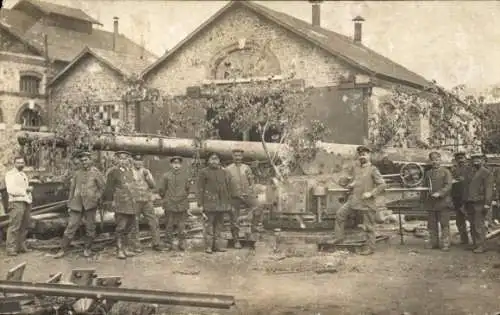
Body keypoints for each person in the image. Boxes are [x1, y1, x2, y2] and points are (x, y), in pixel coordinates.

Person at [331, 146, 386, 255]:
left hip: (367, 203)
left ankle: (370, 248)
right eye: (360, 155)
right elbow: (353, 181)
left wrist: (371, 193)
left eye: (364, 154)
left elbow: (382, 185)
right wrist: (350, 184)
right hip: (354, 200)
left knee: (369, 226)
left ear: (369, 156)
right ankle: (339, 239)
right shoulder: (356, 169)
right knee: (339, 215)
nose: (362, 156)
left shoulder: (373, 170)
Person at [54, 151, 105, 258]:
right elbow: (72, 189)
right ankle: (63, 249)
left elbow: (102, 188)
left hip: (90, 204)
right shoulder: (77, 173)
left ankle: (87, 249)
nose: (84, 162)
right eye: (82, 160)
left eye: (86, 160)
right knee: (71, 226)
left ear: (91, 160)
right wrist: (70, 203)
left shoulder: (96, 173)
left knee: (90, 227)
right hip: (76, 204)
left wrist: (96, 198)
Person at [102, 151, 137, 259]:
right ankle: (119, 249)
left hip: (131, 204)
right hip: (120, 204)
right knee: (120, 227)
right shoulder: (113, 172)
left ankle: (126, 248)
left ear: (128, 160)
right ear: (117, 160)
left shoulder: (130, 171)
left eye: (125, 158)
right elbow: (109, 188)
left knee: (129, 226)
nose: (123, 161)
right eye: (120, 158)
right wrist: (109, 202)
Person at [197, 152, 234, 254]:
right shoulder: (203, 172)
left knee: (219, 226)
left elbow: (228, 188)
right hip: (209, 204)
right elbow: (200, 189)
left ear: (219, 161)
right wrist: (200, 204)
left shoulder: (224, 172)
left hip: (221, 204)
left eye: (216, 159)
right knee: (209, 226)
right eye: (212, 159)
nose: (214, 161)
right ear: (208, 161)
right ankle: (208, 247)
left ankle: (217, 246)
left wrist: (228, 203)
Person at [225, 148, 260, 249]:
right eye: (236, 156)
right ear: (232, 157)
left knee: (258, 208)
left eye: (239, 156)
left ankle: (253, 235)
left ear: (242, 157)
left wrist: (253, 193)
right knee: (233, 217)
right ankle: (236, 240)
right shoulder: (228, 169)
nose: (238, 158)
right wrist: (228, 197)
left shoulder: (246, 168)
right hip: (234, 196)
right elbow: (226, 184)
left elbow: (251, 182)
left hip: (247, 195)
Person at [129, 154, 164, 252]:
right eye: (136, 161)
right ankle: (136, 246)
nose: (138, 163)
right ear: (133, 161)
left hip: (147, 200)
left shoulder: (146, 171)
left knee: (153, 222)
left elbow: (153, 186)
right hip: (135, 201)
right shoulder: (129, 171)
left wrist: (147, 177)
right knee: (134, 224)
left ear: (142, 162)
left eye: (140, 161)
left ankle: (156, 243)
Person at [157, 156, 192, 251]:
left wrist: (182, 196)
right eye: (174, 163)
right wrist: (167, 198)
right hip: (170, 203)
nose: (176, 165)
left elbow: (188, 189)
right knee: (169, 225)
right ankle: (168, 244)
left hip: (182, 203)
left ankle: (182, 243)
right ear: (171, 164)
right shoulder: (166, 176)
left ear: (180, 165)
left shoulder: (185, 175)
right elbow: (161, 190)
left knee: (182, 225)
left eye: (178, 163)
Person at [423, 151, 453, 251]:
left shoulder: (446, 172)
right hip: (431, 203)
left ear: (440, 160)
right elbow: (424, 187)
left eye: (437, 159)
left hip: (443, 203)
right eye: (432, 160)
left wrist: (440, 193)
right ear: (430, 161)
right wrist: (422, 200)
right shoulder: (427, 173)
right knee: (432, 224)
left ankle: (445, 244)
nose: (435, 162)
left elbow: (448, 185)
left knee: (444, 224)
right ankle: (433, 243)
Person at [464, 152, 493, 253]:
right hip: (470, 202)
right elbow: (466, 188)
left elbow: (489, 189)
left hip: (480, 202)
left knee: (478, 225)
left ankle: (481, 246)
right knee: (472, 224)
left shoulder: (486, 173)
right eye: (474, 159)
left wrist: (487, 203)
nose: (476, 161)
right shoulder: (470, 172)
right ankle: (475, 244)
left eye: (478, 159)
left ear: (482, 160)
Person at [4, 156, 33, 256]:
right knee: (14, 226)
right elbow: (11, 189)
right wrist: (26, 190)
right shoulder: (10, 174)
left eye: (22, 162)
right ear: (14, 164)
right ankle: (10, 248)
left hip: (25, 202)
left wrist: (28, 194)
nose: (21, 164)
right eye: (18, 163)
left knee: (24, 226)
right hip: (16, 203)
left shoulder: (23, 174)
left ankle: (21, 246)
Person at [450, 151, 470, 246]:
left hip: (468, 198)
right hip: (457, 198)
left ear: (465, 158)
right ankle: (464, 239)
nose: (460, 160)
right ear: (456, 160)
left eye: (462, 158)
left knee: (472, 219)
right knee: (459, 221)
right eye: (458, 158)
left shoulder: (470, 169)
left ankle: (477, 241)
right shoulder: (454, 170)